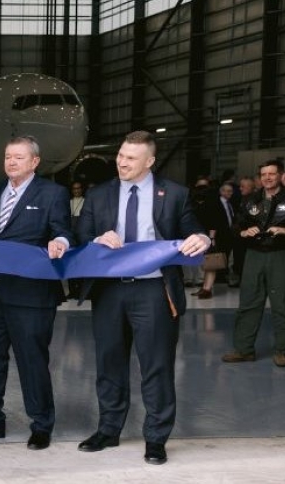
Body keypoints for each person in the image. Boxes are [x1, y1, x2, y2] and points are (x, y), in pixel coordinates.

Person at [76, 130, 209, 466]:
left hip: (153, 290)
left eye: (131, 158)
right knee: (109, 363)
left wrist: (202, 238)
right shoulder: (98, 194)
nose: (122, 162)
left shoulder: (175, 194)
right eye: (121, 155)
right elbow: (81, 233)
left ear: (149, 161)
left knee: (157, 366)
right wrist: (96, 237)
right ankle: (108, 429)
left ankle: (156, 438)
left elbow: (193, 227)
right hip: (109, 289)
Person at [0, 136, 71, 451]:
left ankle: (42, 424)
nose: (11, 162)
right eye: (8, 156)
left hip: (31, 294)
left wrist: (60, 242)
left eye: (19, 157)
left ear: (34, 161)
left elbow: (62, 230)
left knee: (32, 361)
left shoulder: (53, 193)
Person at [222, 161, 285, 367]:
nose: (267, 178)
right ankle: (244, 350)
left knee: (282, 303)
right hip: (254, 254)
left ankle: (284, 351)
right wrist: (243, 232)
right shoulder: (250, 200)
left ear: (280, 176)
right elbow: (236, 225)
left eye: (272, 174)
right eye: (264, 174)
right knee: (249, 302)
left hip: (281, 254)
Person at [195, 183, 237, 299]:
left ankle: (206, 288)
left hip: (219, 237)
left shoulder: (221, 204)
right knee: (210, 262)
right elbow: (213, 221)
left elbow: (216, 221)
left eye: (231, 191)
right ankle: (206, 288)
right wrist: (212, 237)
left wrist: (212, 238)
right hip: (213, 237)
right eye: (226, 191)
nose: (229, 193)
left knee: (212, 262)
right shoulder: (212, 204)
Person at [66, 180, 87, 298]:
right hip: (71, 237)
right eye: (74, 188)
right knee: (71, 264)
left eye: (79, 188)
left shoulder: (86, 202)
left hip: (81, 237)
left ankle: (82, 291)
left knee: (82, 264)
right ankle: (72, 291)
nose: (77, 190)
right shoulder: (68, 202)